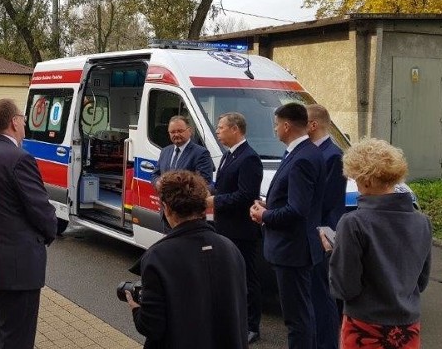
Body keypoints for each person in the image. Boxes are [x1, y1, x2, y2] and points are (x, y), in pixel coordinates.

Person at [0, 98, 57, 349]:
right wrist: (49, 233)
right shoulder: (20, 158)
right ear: (14, 122)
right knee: (16, 338)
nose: (25, 124)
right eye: (23, 118)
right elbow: (41, 211)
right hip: (17, 269)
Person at [329, 138, 432, 349]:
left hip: (364, 328)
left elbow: (345, 287)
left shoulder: (353, 222)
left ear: (365, 180)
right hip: (407, 328)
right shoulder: (422, 221)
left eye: (355, 178)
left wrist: (333, 252)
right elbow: (420, 282)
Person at [127, 171, 248, 348]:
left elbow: (152, 327)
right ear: (202, 207)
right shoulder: (230, 248)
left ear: (166, 207)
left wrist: (136, 308)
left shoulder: (158, 257)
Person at [250, 103, 325, 349]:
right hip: (295, 246)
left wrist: (265, 215)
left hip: (292, 249)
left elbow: (297, 210)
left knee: (297, 318)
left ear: (286, 125)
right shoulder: (303, 152)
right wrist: (268, 204)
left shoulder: (302, 157)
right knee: (302, 312)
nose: (274, 130)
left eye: (275, 124)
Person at [208, 112, 263, 344]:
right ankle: (232, 319)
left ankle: (252, 326)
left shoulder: (249, 158)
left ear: (235, 129)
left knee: (247, 278)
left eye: (221, 128)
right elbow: (222, 185)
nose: (218, 131)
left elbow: (245, 195)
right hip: (224, 227)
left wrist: (215, 202)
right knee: (228, 276)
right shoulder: (228, 155)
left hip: (242, 230)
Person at [306, 104, 344, 349]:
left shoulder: (333, 155)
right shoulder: (314, 151)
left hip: (324, 232)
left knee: (323, 294)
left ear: (313, 125)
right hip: (313, 231)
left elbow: (326, 200)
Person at [153, 115, 214, 184]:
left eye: (180, 131)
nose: (176, 134)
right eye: (172, 132)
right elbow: (155, 175)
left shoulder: (201, 153)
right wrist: (158, 183)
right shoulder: (165, 151)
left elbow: (204, 182)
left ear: (189, 131)